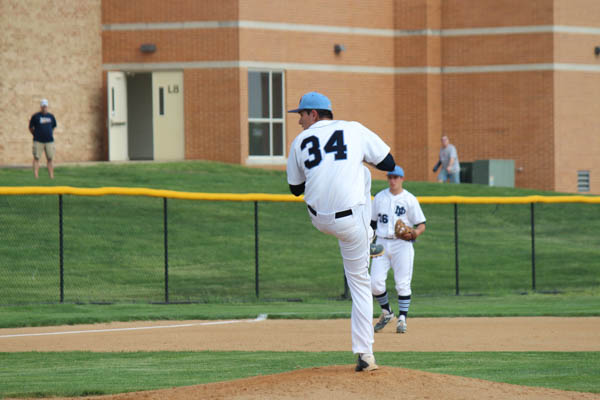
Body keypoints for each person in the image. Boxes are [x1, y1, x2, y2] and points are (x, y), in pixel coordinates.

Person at [286, 91, 396, 372]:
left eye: (302, 114)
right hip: (352, 223)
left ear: (315, 114)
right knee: (360, 283)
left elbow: (295, 189)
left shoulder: (299, 142)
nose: (299, 120)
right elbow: (389, 164)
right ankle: (365, 354)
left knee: (361, 175)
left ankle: (368, 236)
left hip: (318, 219)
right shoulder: (353, 128)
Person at [370, 165, 426, 334]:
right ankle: (387, 312)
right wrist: (369, 241)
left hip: (402, 245)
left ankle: (402, 319)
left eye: (396, 177)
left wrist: (415, 232)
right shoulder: (379, 198)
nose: (393, 180)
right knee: (375, 283)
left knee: (402, 283)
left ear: (402, 179)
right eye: (390, 177)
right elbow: (372, 223)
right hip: (381, 242)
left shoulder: (409, 199)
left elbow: (421, 224)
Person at [29, 99, 57, 179]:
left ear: (47, 106)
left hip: (49, 141)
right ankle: (36, 176)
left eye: (45, 106)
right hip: (38, 141)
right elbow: (30, 127)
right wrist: (35, 134)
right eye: (43, 106)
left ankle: (51, 176)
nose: (44, 107)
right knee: (36, 158)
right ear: (41, 107)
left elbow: (53, 127)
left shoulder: (51, 116)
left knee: (50, 158)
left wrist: (48, 133)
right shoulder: (36, 116)